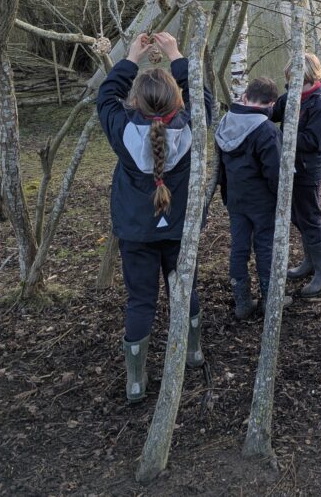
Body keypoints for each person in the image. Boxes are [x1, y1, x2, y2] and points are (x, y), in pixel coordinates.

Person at [97, 32, 212, 403]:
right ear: (178, 100)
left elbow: (105, 96)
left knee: (141, 301)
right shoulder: (195, 125)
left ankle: (135, 380)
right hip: (180, 228)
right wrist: (176, 54)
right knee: (185, 290)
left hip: (137, 231)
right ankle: (192, 352)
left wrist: (131, 57)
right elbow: (203, 96)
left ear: (135, 103)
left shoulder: (122, 129)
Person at [215, 77, 283, 320]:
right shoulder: (266, 129)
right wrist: (282, 199)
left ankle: (242, 301)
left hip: (234, 197)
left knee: (239, 246)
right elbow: (274, 171)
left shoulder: (225, 121)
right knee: (265, 246)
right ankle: (269, 298)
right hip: (262, 200)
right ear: (271, 104)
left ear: (245, 97)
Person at [271, 53, 321, 297]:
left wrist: (279, 137)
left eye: (299, 81)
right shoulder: (291, 95)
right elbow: (272, 113)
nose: (293, 86)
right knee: (297, 215)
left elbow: (312, 141)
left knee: (309, 216)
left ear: (311, 78)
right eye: (290, 81)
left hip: (308, 167)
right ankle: (309, 262)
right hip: (289, 164)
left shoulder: (320, 103)